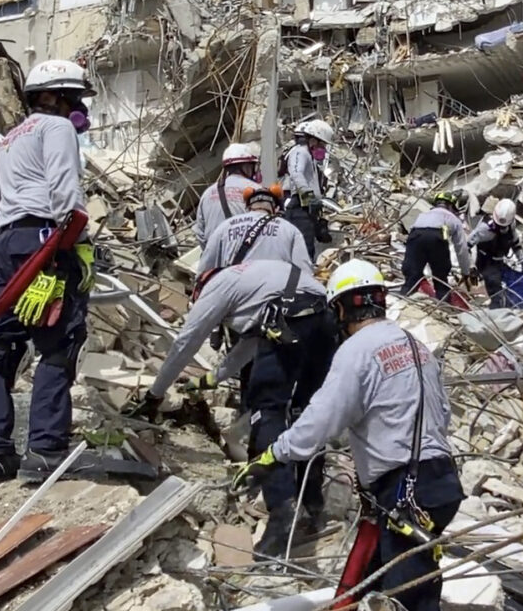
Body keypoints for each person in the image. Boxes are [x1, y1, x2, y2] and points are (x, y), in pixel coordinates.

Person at [233, 259, 463, 610]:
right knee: (373, 582)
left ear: (340, 308)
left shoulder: (356, 352)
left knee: (409, 599)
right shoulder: (417, 348)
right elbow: (441, 413)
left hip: (405, 492)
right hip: (441, 483)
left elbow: (320, 420)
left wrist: (273, 455)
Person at [124, 260, 339, 559]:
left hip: (290, 320)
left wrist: (155, 394)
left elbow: (186, 341)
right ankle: (312, 500)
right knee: (307, 409)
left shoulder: (216, 286)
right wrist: (208, 380)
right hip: (325, 316)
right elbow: (249, 345)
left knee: (268, 410)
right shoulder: (257, 282)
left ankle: (281, 514)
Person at [0, 60, 99, 490]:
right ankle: (45, 450)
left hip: (6, 240)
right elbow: (65, 187)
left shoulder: (10, 138)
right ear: (58, 95)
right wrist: (72, 237)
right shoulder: (56, 127)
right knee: (58, 341)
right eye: (77, 97)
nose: (80, 107)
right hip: (44, 237)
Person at [197, 184, 313, 275]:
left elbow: (205, 269)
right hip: (273, 297)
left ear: (248, 207)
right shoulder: (289, 230)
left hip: (233, 294)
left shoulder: (224, 227)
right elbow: (304, 272)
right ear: (276, 208)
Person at [401, 191, 472, 302]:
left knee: (412, 275)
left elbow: (411, 237)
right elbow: (461, 248)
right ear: (451, 206)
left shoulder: (423, 215)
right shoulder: (453, 219)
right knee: (440, 278)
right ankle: (444, 307)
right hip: (437, 238)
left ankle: (403, 300)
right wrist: (466, 271)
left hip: (415, 236)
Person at [283, 119, 334, 260]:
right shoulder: (300, 152)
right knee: (303, 252)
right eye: (322, 144)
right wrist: (309, 197)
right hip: (299, 208)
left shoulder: (309, 157)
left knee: (308, 249)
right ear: (313, 140)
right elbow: (296, 174)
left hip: (306, 210)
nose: (323, 148)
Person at [194, 143, 260, 249]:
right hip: (248, 258)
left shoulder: (207, 194)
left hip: (217, 258)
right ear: (246, 166)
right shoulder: (257, 190)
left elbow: (200, 233)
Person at [467, 198, 520, 308]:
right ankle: (497, 313)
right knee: (494, 287)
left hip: (500, 260)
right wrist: (471, 266)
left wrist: (522, 260)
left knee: (509, 284)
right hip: (485, 261)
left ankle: (506, 305)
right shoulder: (484, 229)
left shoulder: (511, 224)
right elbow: (466, 246)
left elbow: (515, 242)